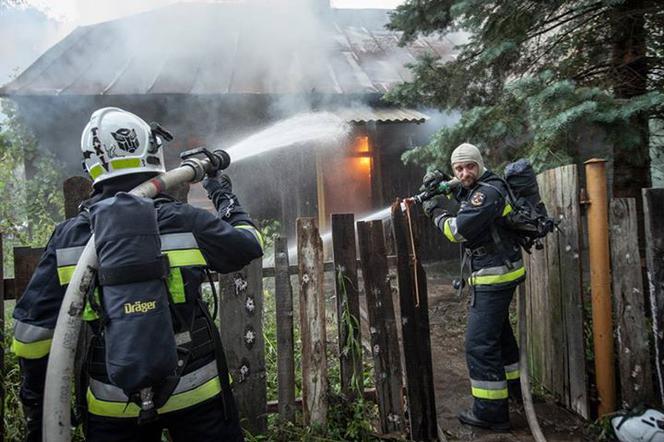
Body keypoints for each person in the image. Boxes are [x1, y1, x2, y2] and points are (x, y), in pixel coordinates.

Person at [11, 107, 264, 441]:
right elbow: (249, 243)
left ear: (92, 163)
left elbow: (31, 335)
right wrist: (222, 192)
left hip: (112, 404)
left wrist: (39, 410)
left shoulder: (71, 237)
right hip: (197, 392)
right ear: (151, 149)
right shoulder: (184, 220)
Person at [422, 142, 525, 432]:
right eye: (458, 168)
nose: (464, 173)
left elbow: (457, 230)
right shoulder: (481, 186)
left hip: (494, 276)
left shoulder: (487, 193)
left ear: (480, 165)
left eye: (470, 166)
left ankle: (491, 413)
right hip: (500, 272)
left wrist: (433, 211)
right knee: (500, 336)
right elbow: (464, 190)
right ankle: (516, 391)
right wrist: (441, 184)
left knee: (479, 345)